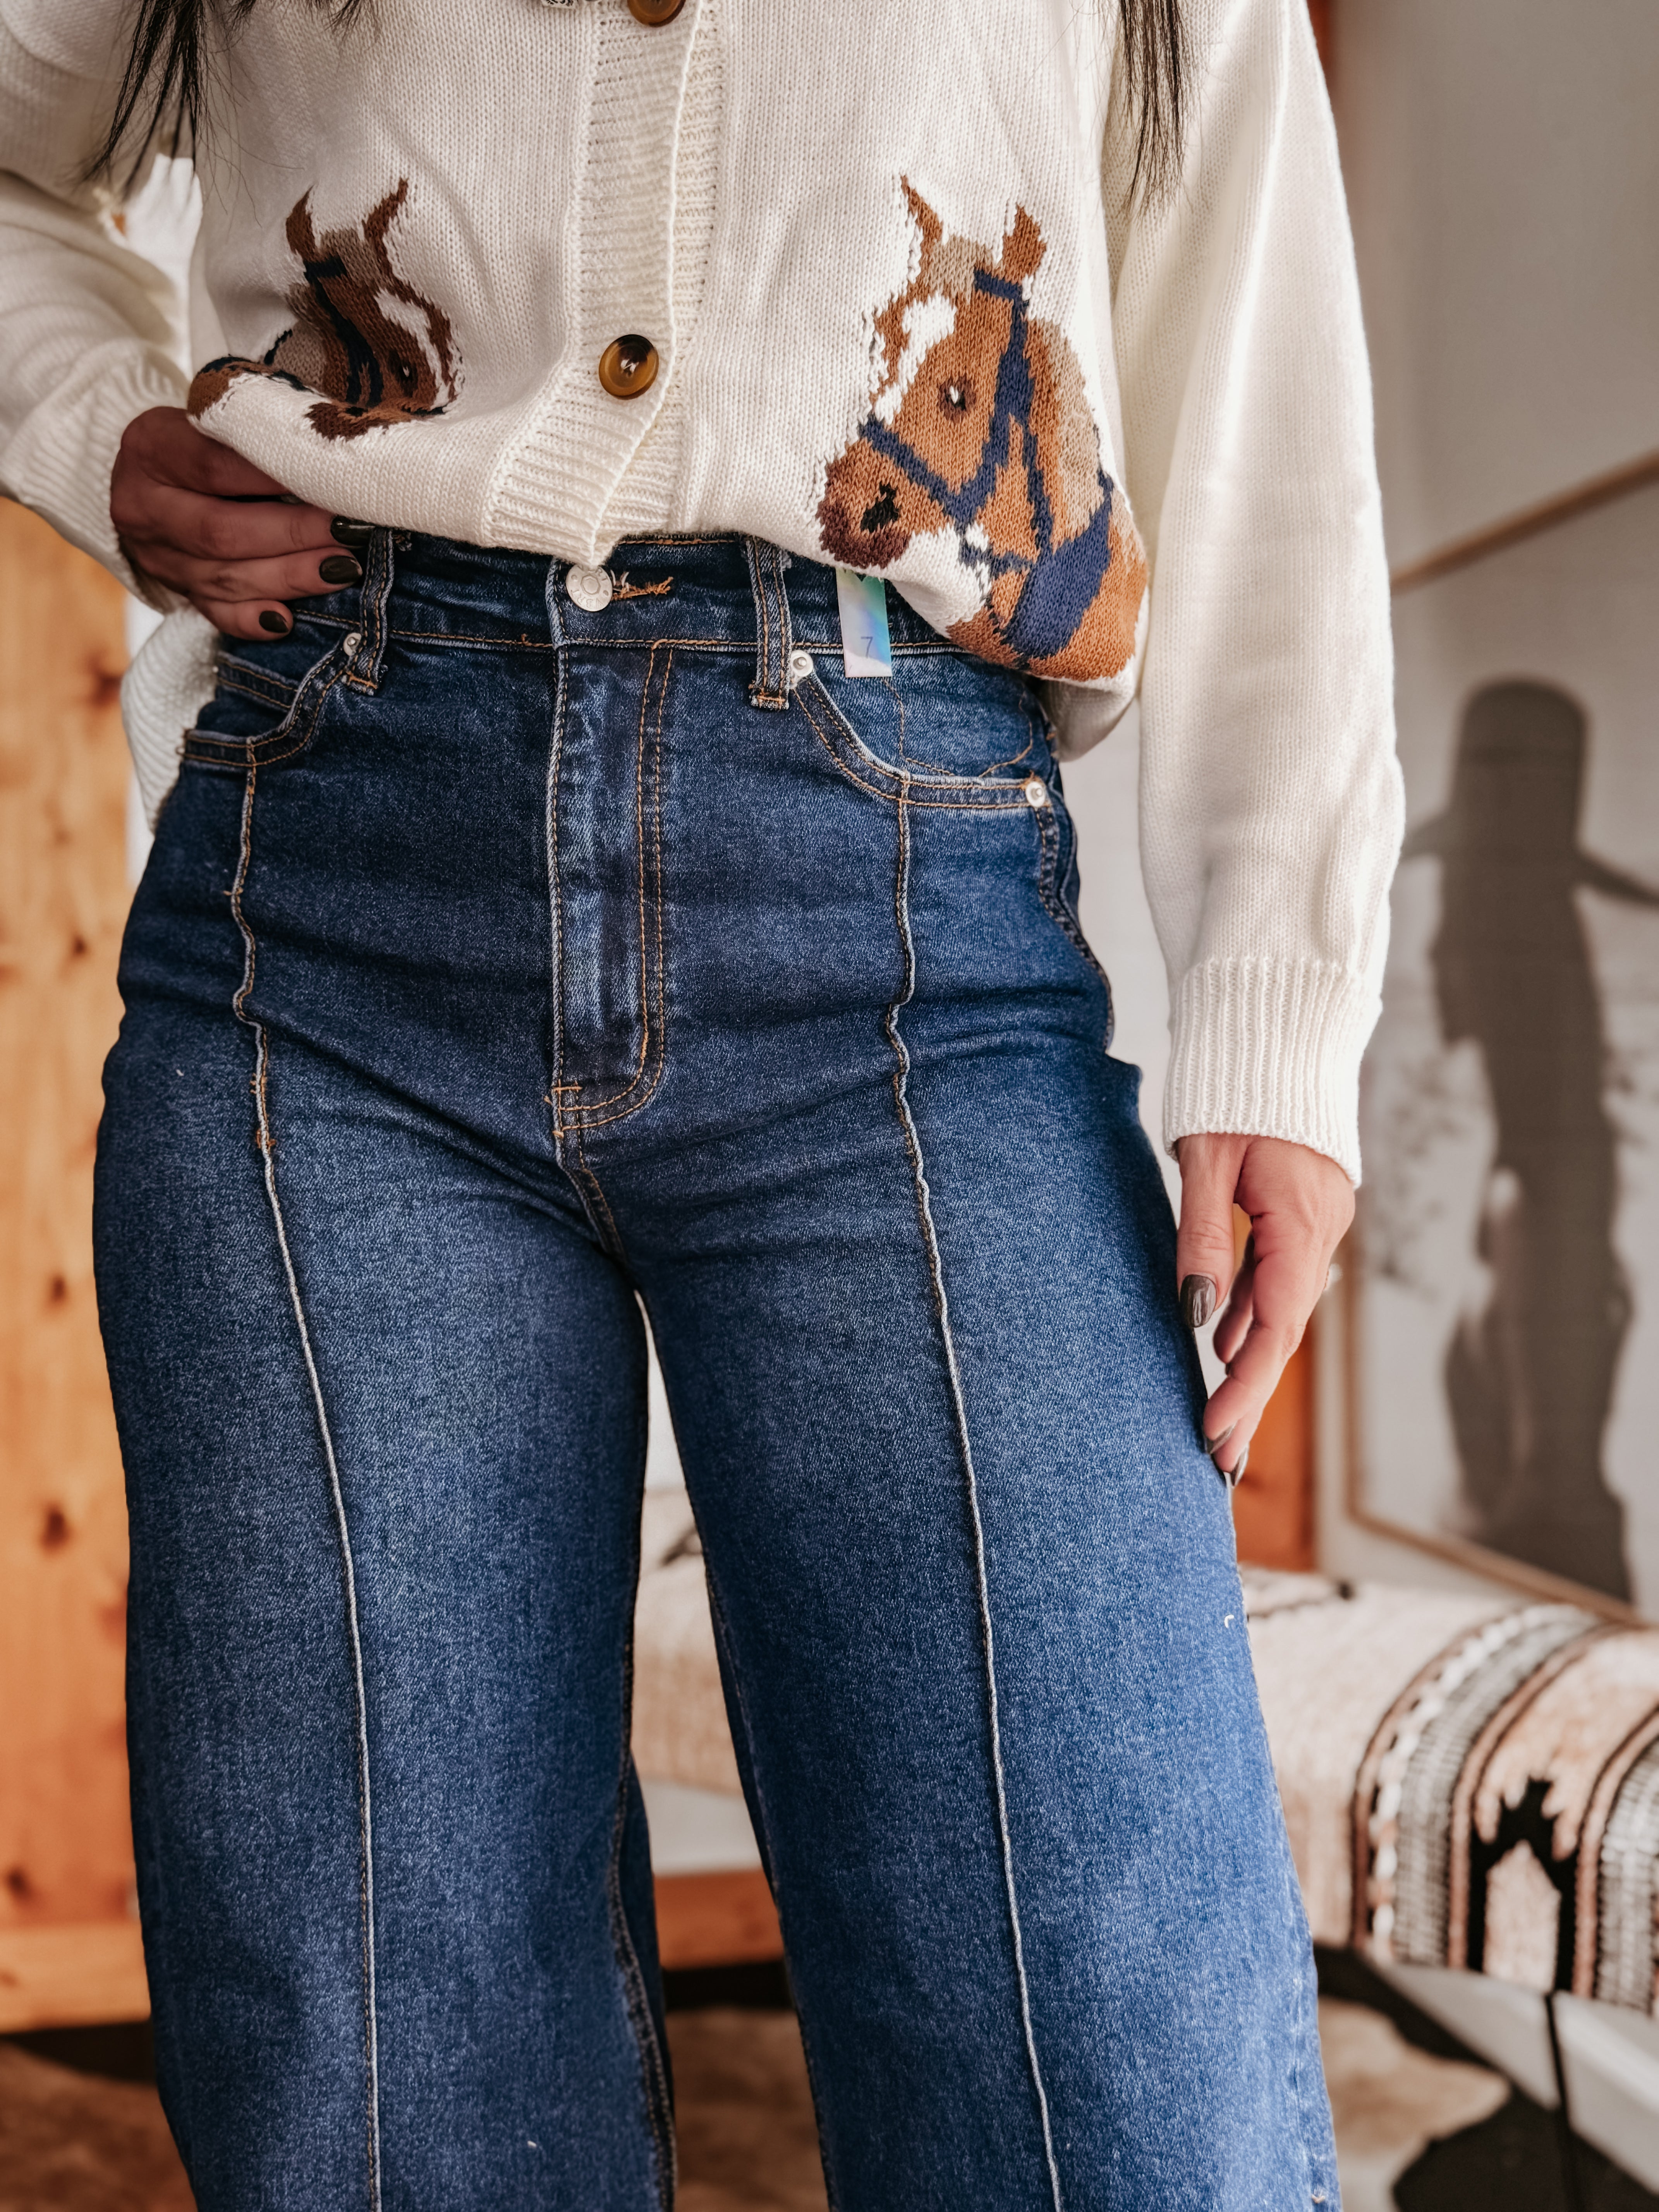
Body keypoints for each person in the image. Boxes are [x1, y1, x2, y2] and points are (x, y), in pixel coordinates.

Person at [0, 0, 1400, 2204]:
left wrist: (1281, 1018)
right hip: (329, 891)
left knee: (1112, 2082)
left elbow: (1254, 326)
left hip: (909, 918)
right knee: (379, 2090)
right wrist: (92, 421)